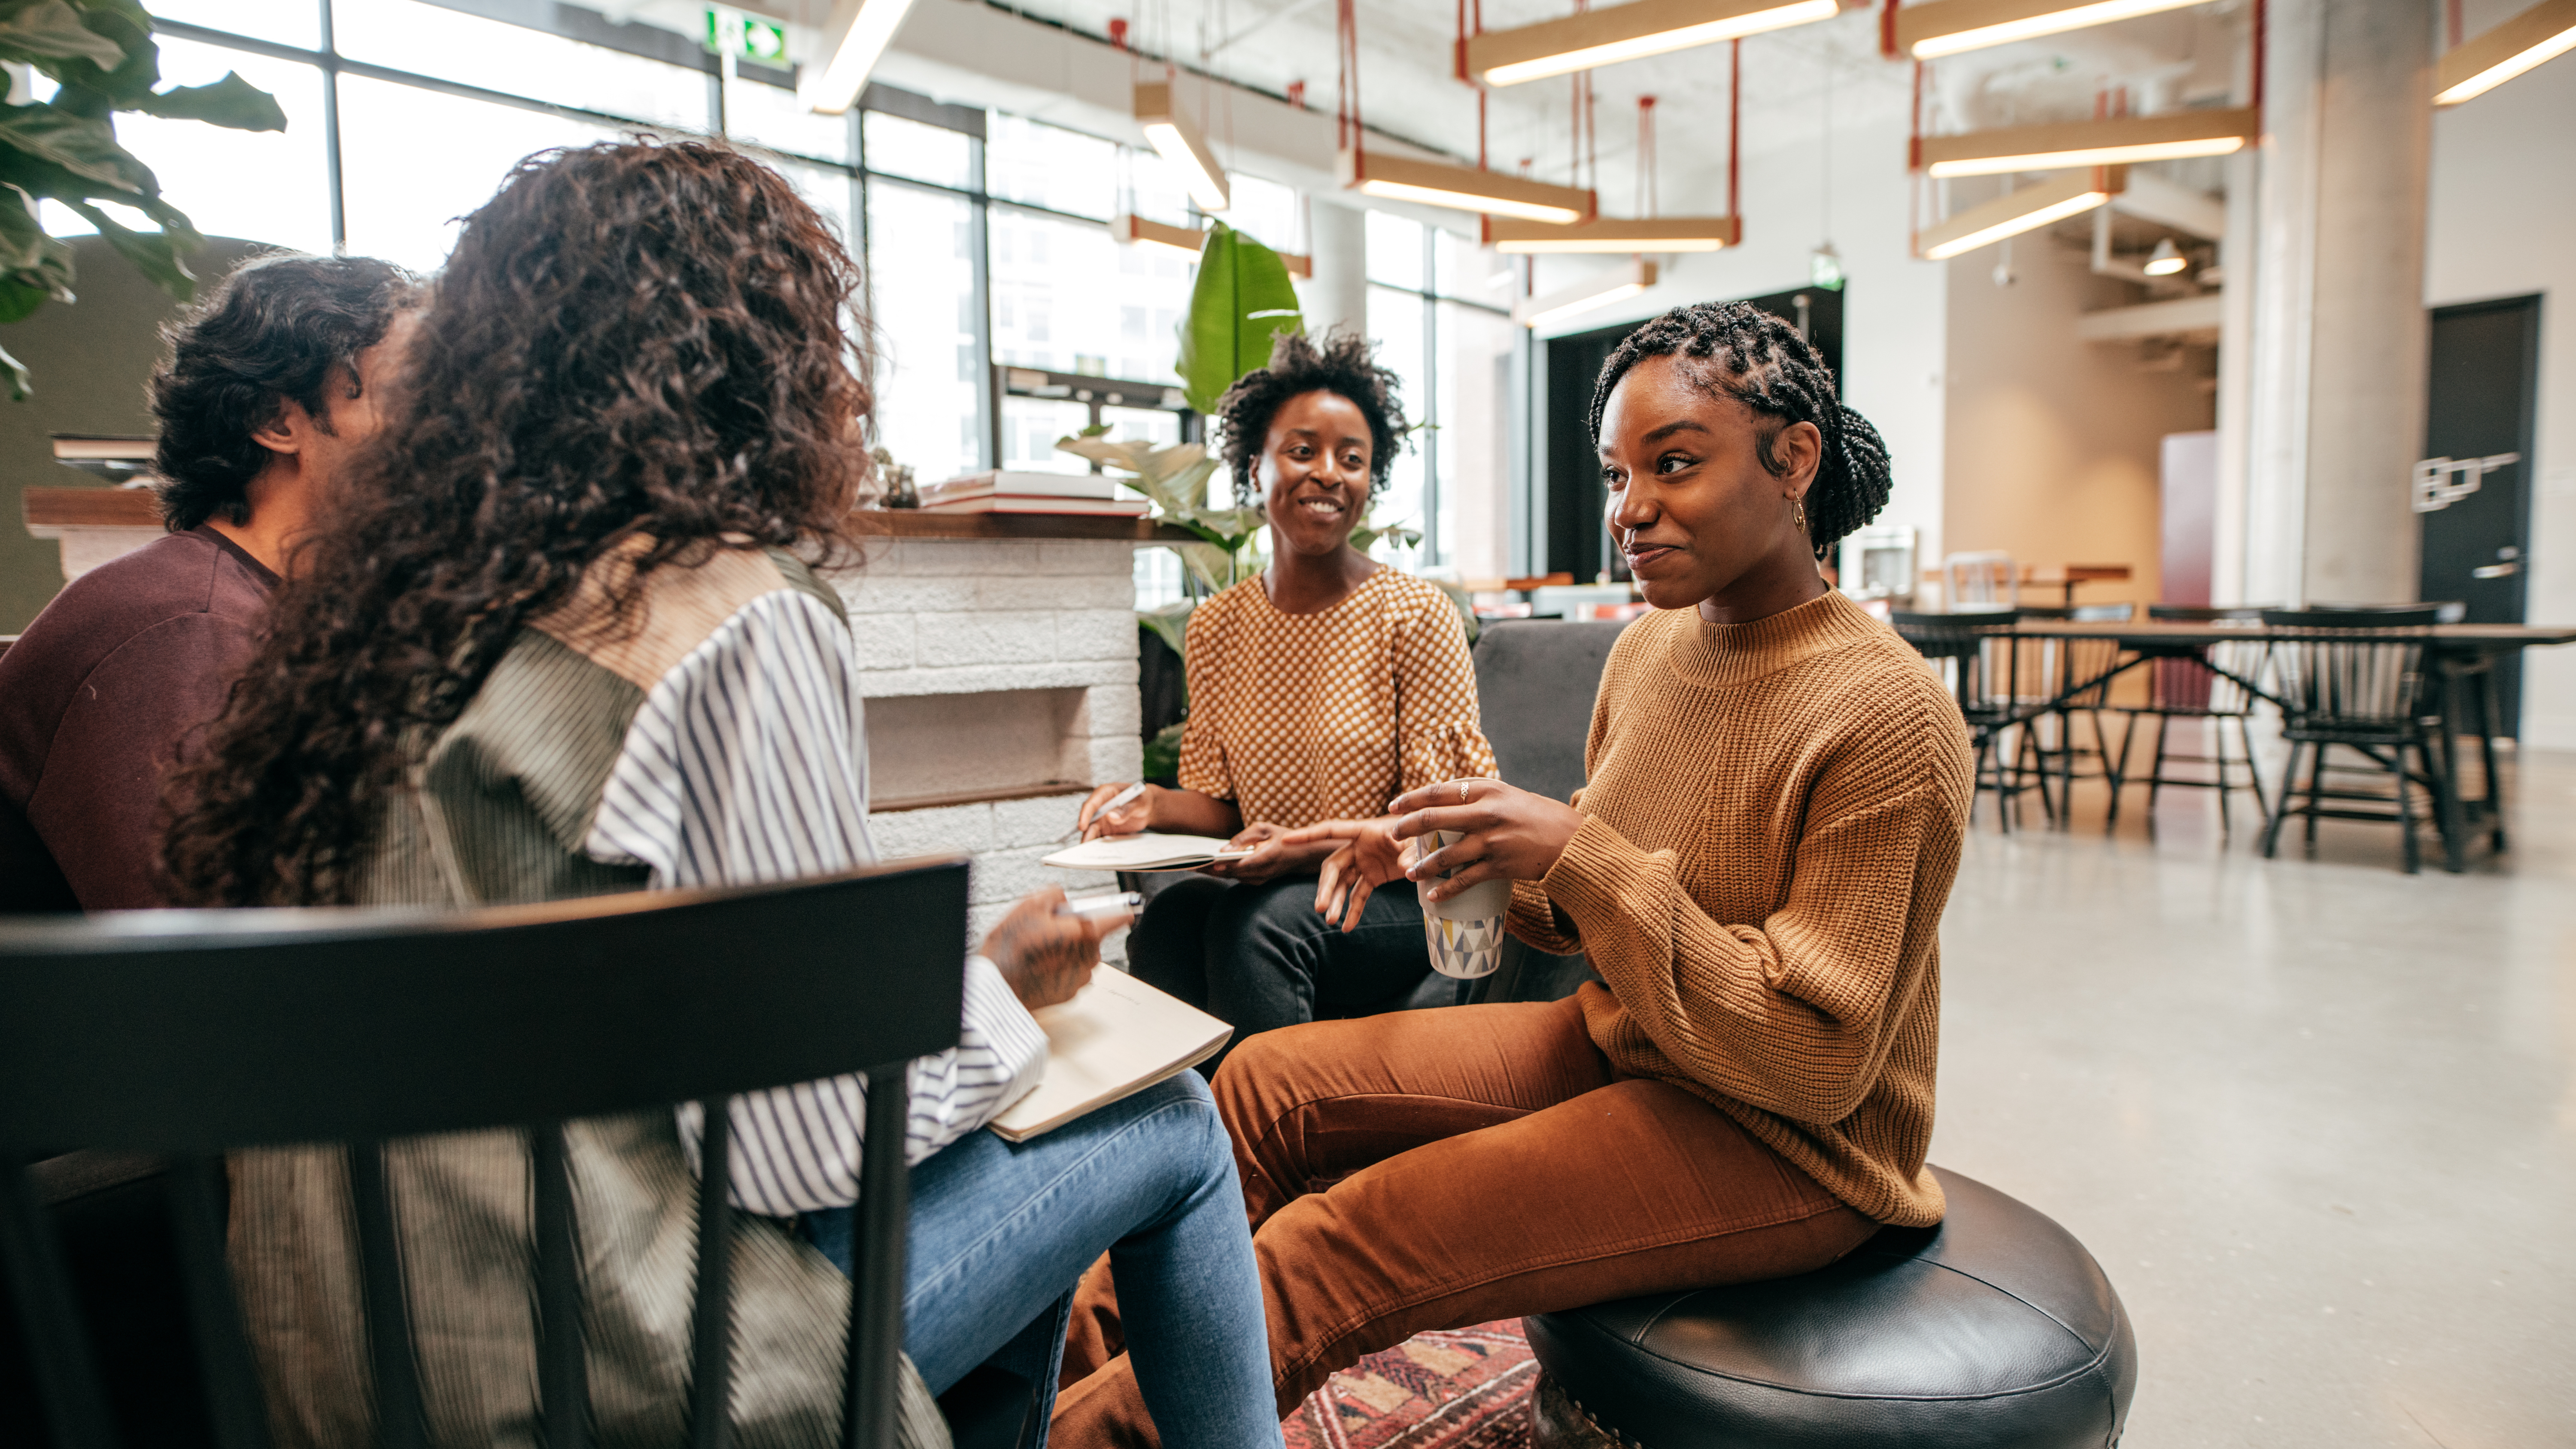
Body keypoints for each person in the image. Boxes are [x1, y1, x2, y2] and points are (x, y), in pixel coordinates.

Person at [161, 140, 1280, 1449]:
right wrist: (998, 996)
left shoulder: (379, 625)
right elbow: (801, 1152)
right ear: (759, 360)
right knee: (1165, 1117)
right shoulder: (724, 611)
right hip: (622, 1381)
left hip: (345, 1376)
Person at [1051, 301, 1975, 1448]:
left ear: (1794, 459)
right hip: (1627, 1039)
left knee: (1330, 1246)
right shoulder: (1649, 649)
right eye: (1618, 472)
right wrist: (1457, 849)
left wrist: (1579, 854)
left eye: (1674, 464)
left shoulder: (1889, 712)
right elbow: (1571, 910)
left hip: (1790, 1138)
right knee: (1254, 1091)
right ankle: (1020, 1387)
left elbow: (1818, 1056)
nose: (1631, 509)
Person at [1075, 330, 1495, 1060]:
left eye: (1352, 459)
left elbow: (1445, 823)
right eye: (1303, 450)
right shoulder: (1217, 626)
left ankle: (1273, 1161)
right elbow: (1220, 807)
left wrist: (1299, 848)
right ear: (1254, 466)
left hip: (1400, 892)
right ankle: (1189, 1141)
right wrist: (1149, 804)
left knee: (1259, 924)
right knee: (1173, 915)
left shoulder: (1415, 613)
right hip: (1282, 883)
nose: (1328, 474)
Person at [0, 253, 418, 911]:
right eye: (409, 393)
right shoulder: (185, 630)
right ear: (279, 422)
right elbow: (212, 966)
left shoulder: (295, 613)